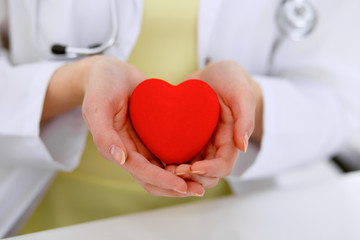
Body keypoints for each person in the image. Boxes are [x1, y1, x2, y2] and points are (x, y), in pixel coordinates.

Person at [1, 0, 360, 236]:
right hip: (48, 212)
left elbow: (338, 101)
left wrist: (249, 98)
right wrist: (76, 82)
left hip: (223, 216)